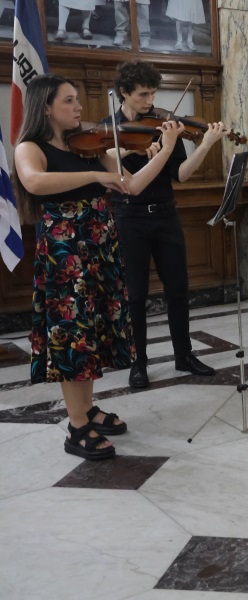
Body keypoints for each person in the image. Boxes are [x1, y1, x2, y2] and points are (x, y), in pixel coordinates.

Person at [13, 74, 180, 460]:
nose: (79, 107)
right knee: (73, 336)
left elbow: (132, 185)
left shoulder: (88, 145)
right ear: (46, 108)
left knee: (92, 333)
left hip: (98, 248)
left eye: (77, 99)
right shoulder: (30, 147)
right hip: (65, 255)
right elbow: (34, 182)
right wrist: (94, 175)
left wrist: (167, 148)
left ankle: (87, 410)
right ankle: (76, 427)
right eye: (69, 100)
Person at [103, 61, 227, 389]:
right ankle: (138, 362)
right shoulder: (107, 129)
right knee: (135, 294)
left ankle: (183, 355)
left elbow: (181, 175)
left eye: (153, 93)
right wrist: (137, 148)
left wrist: (205, 144)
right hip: (129, 216)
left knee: (178, 289)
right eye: (143, 94)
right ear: (124, 93)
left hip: (166, 215)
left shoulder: (165, 125)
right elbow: (107, 165)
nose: (150, 101)